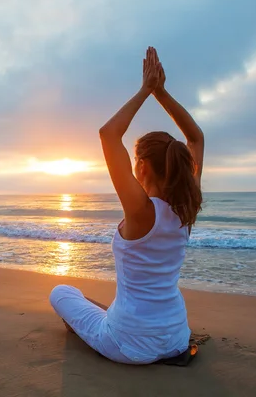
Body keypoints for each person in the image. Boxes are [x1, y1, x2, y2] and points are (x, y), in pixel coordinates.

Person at [49, 46, 204, 365]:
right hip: (175, 338)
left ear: (143, 166)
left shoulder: (141, 211)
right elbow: (196, 139)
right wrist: (162, 93)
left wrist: (146, 89)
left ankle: (95, 322)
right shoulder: (185, 209)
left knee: (61, 292)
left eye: (135, 161)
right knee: (91, 304)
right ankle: (105, 316)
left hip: (128, 345)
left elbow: (108, 135)